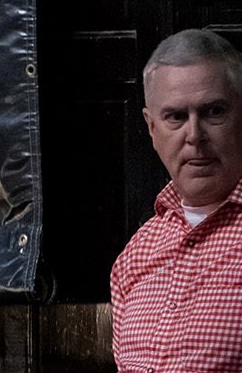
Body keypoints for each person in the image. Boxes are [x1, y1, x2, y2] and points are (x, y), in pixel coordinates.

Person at [111, 28, 242, 371]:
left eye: (214, 112)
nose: (194, 136)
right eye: (175, 117)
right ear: (152, 128)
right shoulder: (135, 255)